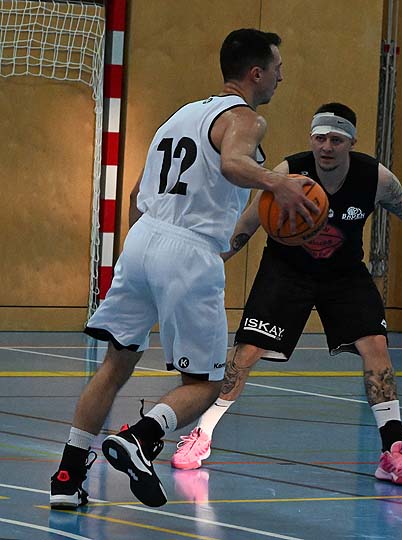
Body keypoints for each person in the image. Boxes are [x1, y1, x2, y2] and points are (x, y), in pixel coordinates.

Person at [49, 28, 320, 509]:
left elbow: (137, 195)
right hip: (189, 250)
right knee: (207, 384)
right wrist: (277, 183)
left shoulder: (180, 116)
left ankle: (67, 478)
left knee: (114, 366)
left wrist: (147, 250)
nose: (282, 77)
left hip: (142, 240)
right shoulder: (246, 119)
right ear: (255, 73)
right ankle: (141, 437)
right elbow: (234, 164)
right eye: (277, 68)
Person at [170, 102, 402, 486]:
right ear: (311, 139)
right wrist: (211, 261)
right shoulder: (288, 173)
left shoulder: (376, 178)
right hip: (286, 271)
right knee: (247, 352)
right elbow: (248, 224)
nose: (326, 146)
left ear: (351, 143)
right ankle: (202, 435)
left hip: (344, 274)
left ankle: (393, 452)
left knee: (376, 346)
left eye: (336, 140)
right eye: (320, 138)